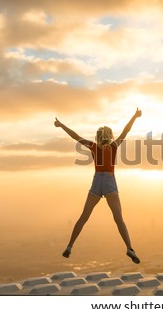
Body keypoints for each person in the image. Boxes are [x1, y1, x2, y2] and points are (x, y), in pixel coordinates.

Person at [54, 108, 142, 264]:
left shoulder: (93, 146)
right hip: (109, 181)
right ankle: (129, 248)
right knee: (118, 218)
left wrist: (61, 125)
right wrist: (135, 116)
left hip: (96, 182)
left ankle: (69, 246)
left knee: (84, 216)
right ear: (110, 136)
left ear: (98, 136)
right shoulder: (114, 146)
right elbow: (126, 131)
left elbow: (75, 136)